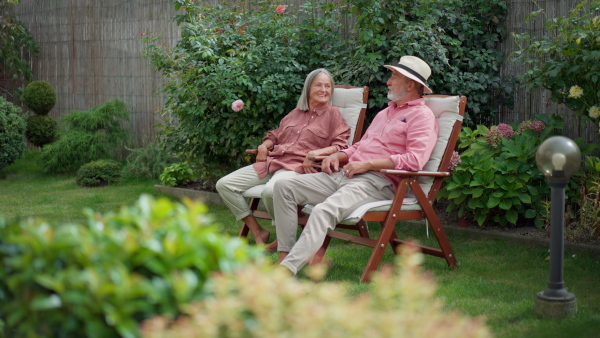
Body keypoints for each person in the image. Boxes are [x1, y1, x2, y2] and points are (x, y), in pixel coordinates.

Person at [273, 56, 439, 275]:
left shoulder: (422, 117)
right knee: (284, 187)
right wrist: (340, 156)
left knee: (323, 211)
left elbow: (415, 160)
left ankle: (286, 270)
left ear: (410, 85)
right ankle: (285, 252)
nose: (388, 81)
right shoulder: (385, 113)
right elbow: (360, 146)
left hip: (377, 182)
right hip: (347, 173)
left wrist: (368, 165)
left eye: (394, 77)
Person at [216, 68, 351, 252]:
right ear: (308, 87)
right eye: (319, 85)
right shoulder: (296, 112)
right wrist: (264, 146)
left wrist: (315, 154)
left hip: (298, 167)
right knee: (224, 185)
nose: (324, 90)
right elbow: (275, 135)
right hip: (272, 162)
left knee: (271, 192)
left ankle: (283, 238)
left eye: (328, 86)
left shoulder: (333, 114)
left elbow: (341, 147)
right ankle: (258, 232)